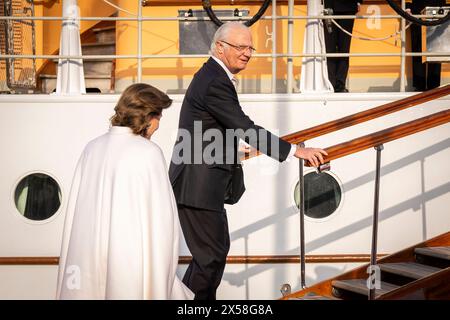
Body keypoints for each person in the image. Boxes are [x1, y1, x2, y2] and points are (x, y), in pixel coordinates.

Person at [169, 22, 328, 300]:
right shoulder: (214, 81)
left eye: (250, 48)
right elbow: (243, 126)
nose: (247, 54)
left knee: (209, 257)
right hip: (197, 185)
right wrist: (294, 151)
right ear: (220, 47)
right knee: (211, 257)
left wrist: (232, 152)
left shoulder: (213, 76)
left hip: (199, 183)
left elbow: (214, 129)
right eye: (241, 47)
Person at [56, 83, 194, 300]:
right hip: (131, 267)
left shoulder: (92, 148)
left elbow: (76, 216)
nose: (158, 126)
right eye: (159, 117)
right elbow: (163, 226)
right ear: (147, 116)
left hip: (86, 265)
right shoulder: (148, 153)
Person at [324, 0, 363, 92]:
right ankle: (330, 83)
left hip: (347, 7)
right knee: (329, 48)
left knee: (344, 47)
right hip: (328, 6)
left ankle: (340, 84)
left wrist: (358, 1)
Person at [407, 0, 445, 91]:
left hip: (437, 10)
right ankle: (419, 84)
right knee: (417, 47)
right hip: (416, 12)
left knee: (436, 47)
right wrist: (407, 7)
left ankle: (434, 85)